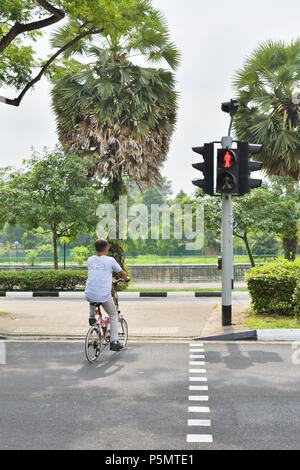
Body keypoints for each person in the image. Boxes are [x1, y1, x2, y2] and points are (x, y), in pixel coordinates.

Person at [85, 238, 130, 351]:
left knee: (92, 295)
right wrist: (125, 278)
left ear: (95, 249)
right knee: (113, 314)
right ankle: (114, 342)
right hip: (103, 296)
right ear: (107, 249)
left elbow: (98, 274)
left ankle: (91, 316)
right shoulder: (110, 260)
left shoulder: (90, 260)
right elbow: (121, 272)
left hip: (89, 294)